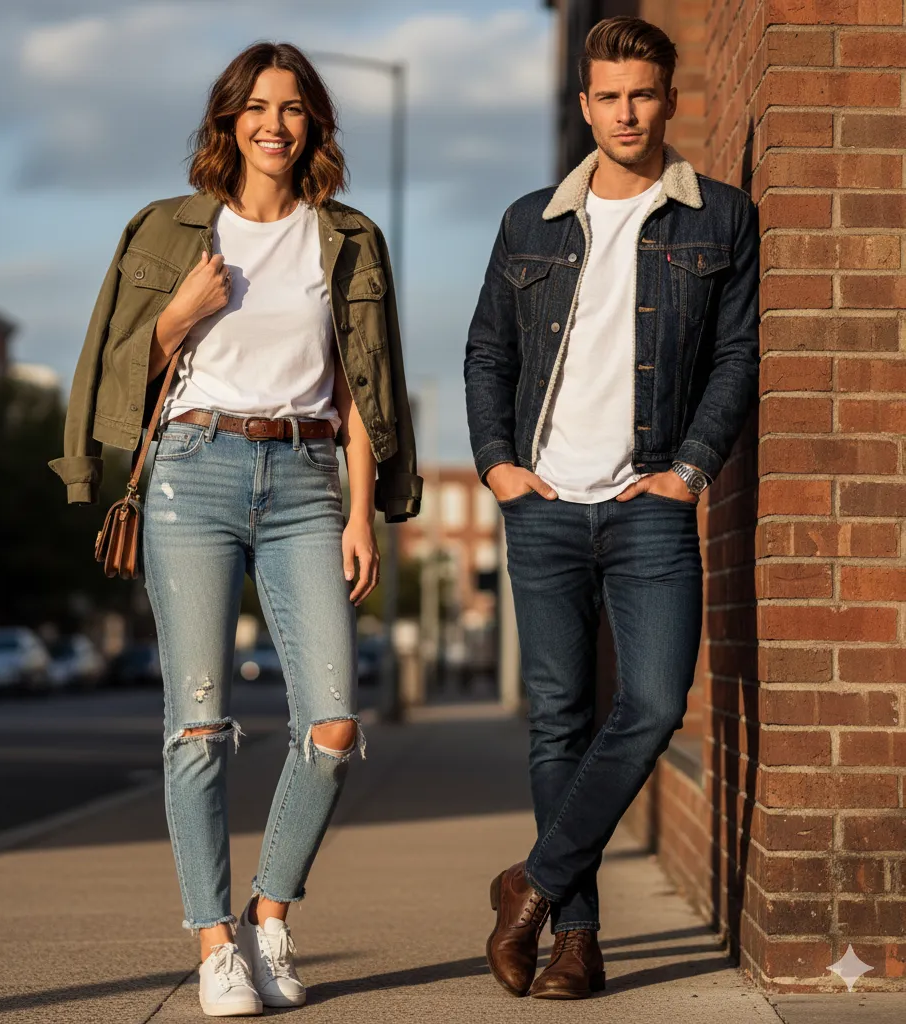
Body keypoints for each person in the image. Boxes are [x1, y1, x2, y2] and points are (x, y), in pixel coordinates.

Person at [51, 42, 421, 1017]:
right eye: (256, 106)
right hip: (193, 470)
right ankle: (215, 943)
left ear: (314, 125)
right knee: (199, 721)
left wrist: (363, 512)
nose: (274, 124)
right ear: (228, 120)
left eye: (292, 108)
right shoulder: (169, 228)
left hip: (305, 478)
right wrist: (177, 316)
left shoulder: (347, 236)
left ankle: (269, 913)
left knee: (333, 724)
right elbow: (110, 361)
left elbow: (363, 384)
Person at [464, 16, 758, 1000]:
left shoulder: (721, 217)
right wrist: (499, 468)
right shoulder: (528, 222)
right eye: (608, 97)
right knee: (559, 719)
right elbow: (488, 353)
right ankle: (576, 942)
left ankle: (532, 882)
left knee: (655, 706)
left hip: (650, 502)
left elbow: (736, 356)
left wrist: (690, 470)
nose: (625, 113)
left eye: (641, 94)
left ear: (667, 98)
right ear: (585, 105)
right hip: (545, 502)